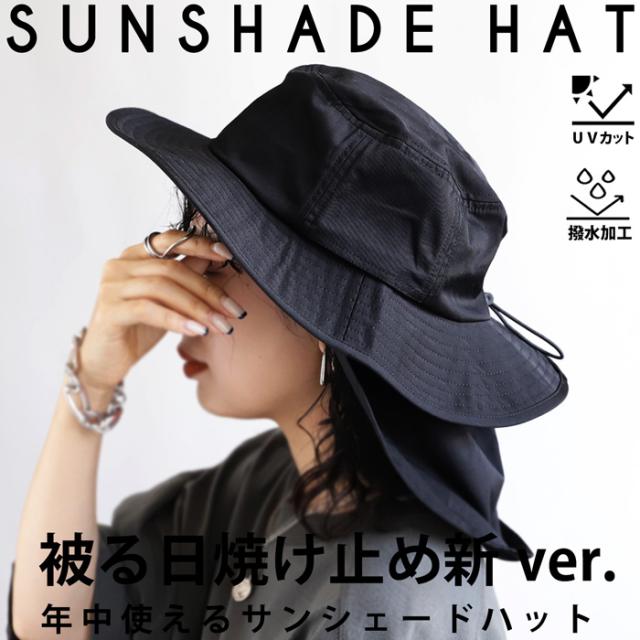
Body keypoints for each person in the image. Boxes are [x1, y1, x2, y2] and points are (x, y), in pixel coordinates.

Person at [8, 63, 568, 639]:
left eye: (219, 258)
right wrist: (93, 379)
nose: (182, 283)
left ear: (324, 320)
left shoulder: (381, 601)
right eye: (188, 244)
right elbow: (54, 620)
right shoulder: (279, 478)